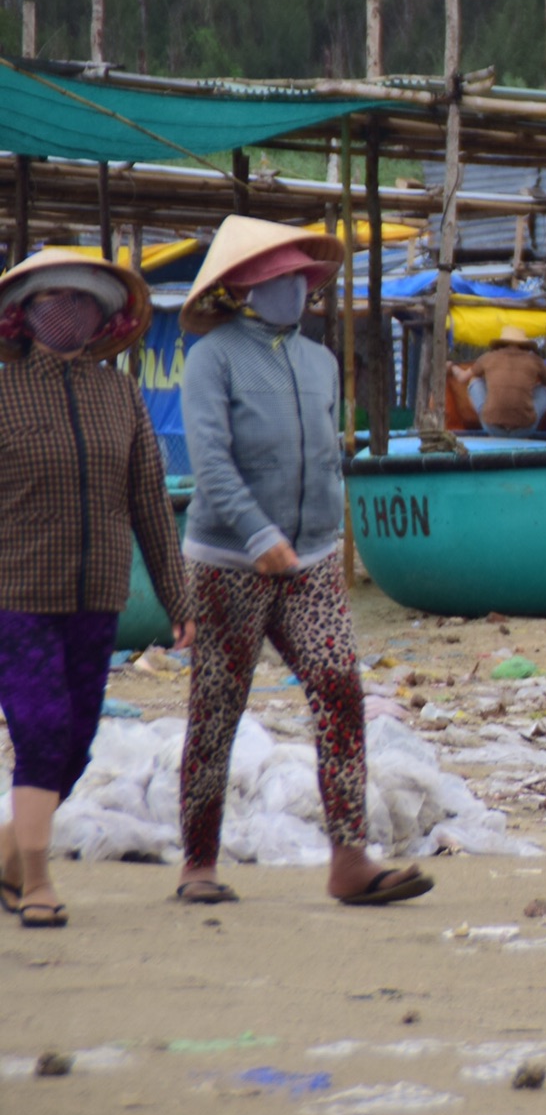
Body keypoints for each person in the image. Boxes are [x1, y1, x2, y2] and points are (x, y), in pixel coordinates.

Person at [175, 215, 432, 907]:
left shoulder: (318, 360)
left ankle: (349, 857)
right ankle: (197, 861)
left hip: (311, 559)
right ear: (242, 287)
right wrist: (259, 535)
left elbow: (322, 455)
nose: (294, 288)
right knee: (217, 708)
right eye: (279, 277)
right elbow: (211, 463)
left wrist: (321, 529)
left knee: (340, 689)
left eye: (300, 277)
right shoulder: (213, 358)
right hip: (231, 561)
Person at [0, 249, 193, 929]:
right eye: (56, 299)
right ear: (22, 315)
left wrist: (179, 600)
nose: (71, 311)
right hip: (17, 592)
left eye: (85, 301)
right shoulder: (3, 390)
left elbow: (150, 501)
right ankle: (39, 881)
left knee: (76, 740)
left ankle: (8, 855)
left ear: (104, 319)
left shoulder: (121, 396)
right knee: (42, 727)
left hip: (98, 593)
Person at [461, 326, 546, 436]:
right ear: (523, 344)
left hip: (492, 428)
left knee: (474, 381)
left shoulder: (488, 357)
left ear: (501, 343)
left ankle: (485, 415)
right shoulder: (535, 360)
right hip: (524, 430)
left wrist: (451, 366)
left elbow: (462, 378)